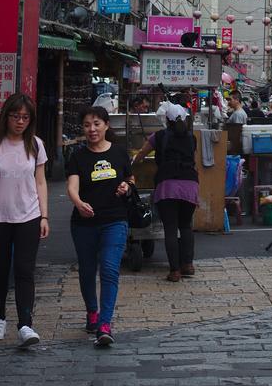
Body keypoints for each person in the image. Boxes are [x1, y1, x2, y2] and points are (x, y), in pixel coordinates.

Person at [0, 93, 48, 347]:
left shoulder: (35, 145)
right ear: (7, 116)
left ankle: (26, 324)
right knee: (0, 269)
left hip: (29, 216)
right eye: (15, 116)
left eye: (25, 117)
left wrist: (44, 215)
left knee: (25, 270)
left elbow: (40, 181)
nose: (20, 121)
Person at [67, 106, 133, 348]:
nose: (92, 129)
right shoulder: (78, 156)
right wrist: (78, 202)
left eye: (96, 124)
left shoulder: (119, 152)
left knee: (108, 269)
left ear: (106, 125)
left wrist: (126, 186)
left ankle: (104, 324)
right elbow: (72, 186)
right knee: (87, 270)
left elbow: (129, 177)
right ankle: (92, 312)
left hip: (115, 219)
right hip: (84, 223)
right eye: (87, 125)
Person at [131, 101, 198, 282]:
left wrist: (131, 164)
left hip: (168, 185)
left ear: (166, 121)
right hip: (190, 185)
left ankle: (174, 271)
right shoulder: (192, 138)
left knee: (170, 228)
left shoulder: (158, 137)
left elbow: (141, 155)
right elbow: (192, 159)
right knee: (185, 226)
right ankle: (188, 265)